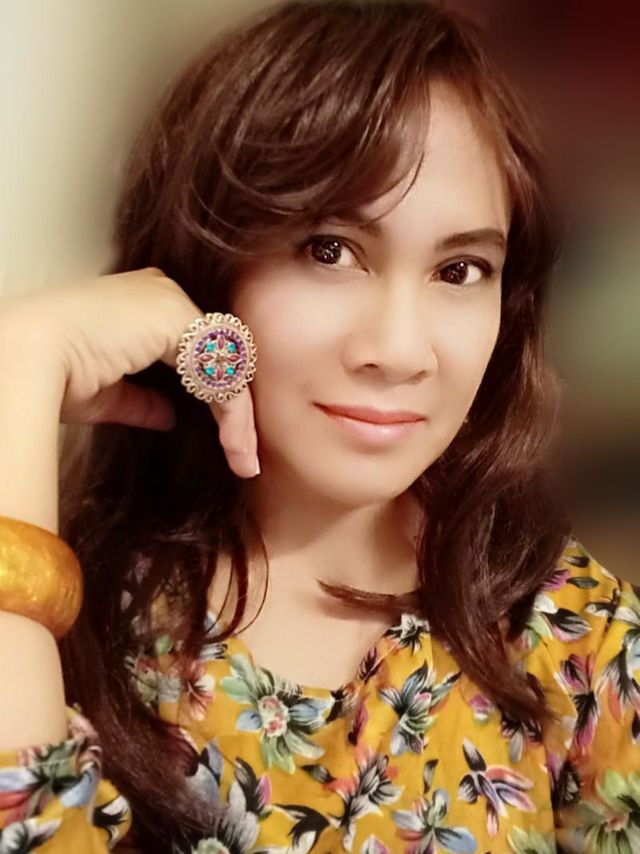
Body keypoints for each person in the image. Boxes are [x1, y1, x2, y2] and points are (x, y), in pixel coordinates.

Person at [0, 1, 638, 851]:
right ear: (208, 266)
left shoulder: (573, 635)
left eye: (460, 269)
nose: (399, 350)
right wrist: (18, 362)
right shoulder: (78, 624)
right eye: (329, 250)